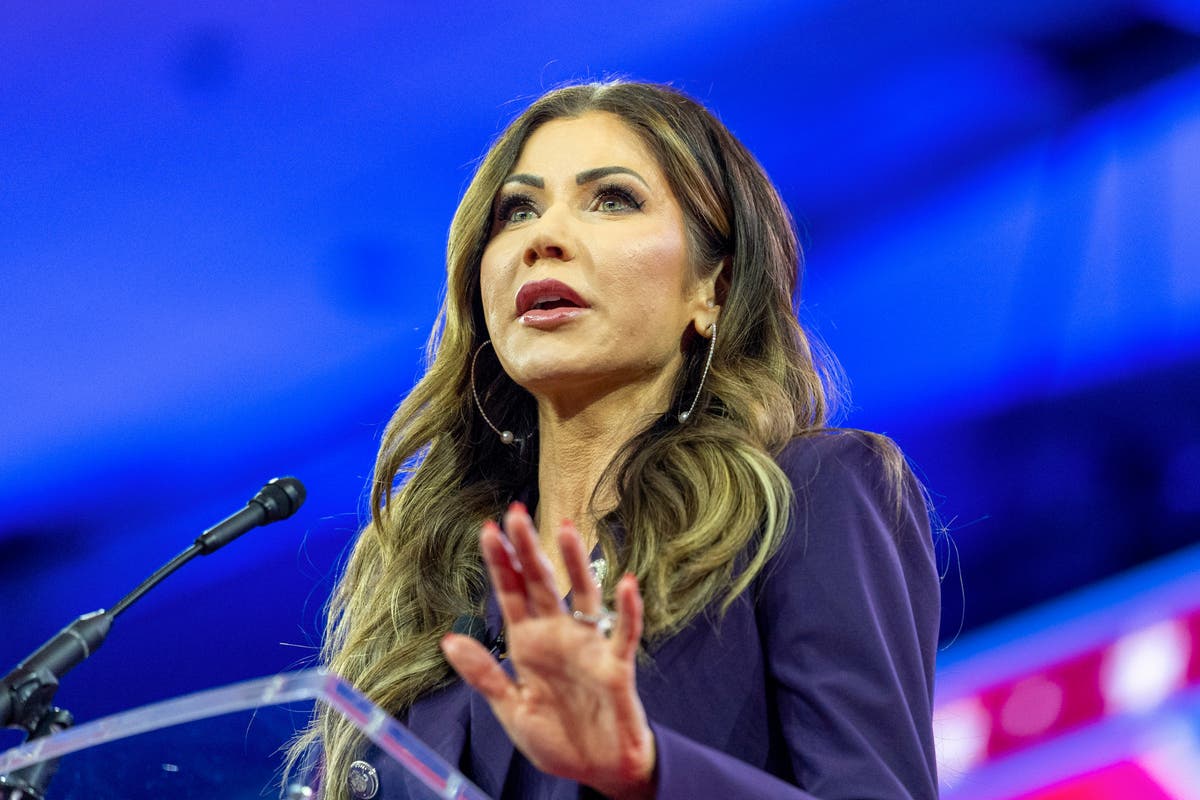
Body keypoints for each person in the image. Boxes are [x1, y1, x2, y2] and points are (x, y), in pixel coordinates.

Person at [292, 81, 940, 799]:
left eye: (612, 200)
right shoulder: (422, 589)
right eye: (518, 211)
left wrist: (646, 770)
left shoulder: (811, 496)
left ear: (714, 290)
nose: (543, 238)